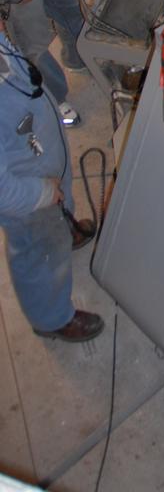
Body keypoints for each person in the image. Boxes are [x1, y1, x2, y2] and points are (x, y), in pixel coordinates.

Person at [0, 25, 102, 342]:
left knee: (60, 201)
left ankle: (65, 226)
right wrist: (44, 193)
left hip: (41, 157)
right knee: (38, 252)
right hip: (28, 197)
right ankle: (51, 318)